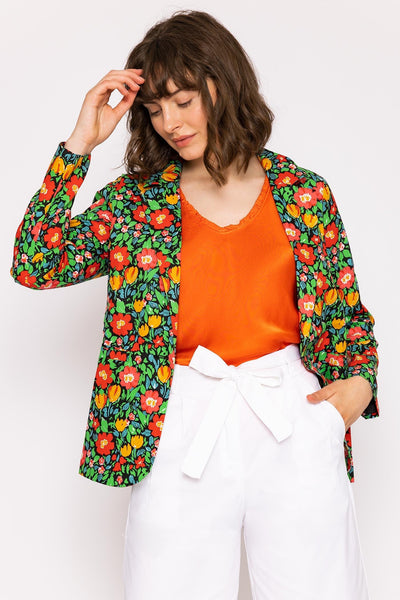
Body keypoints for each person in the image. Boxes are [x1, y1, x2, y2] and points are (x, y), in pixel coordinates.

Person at [11, 9, 379, 600]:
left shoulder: (303, 193)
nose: (171, 124)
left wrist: (359, 384)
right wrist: (80, 143)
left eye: (183, 101)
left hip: (291, 414)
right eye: (155, 110)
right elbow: (35, 261)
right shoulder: (135, 205)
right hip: (176, 418)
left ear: (223, 84)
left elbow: (345, 313)